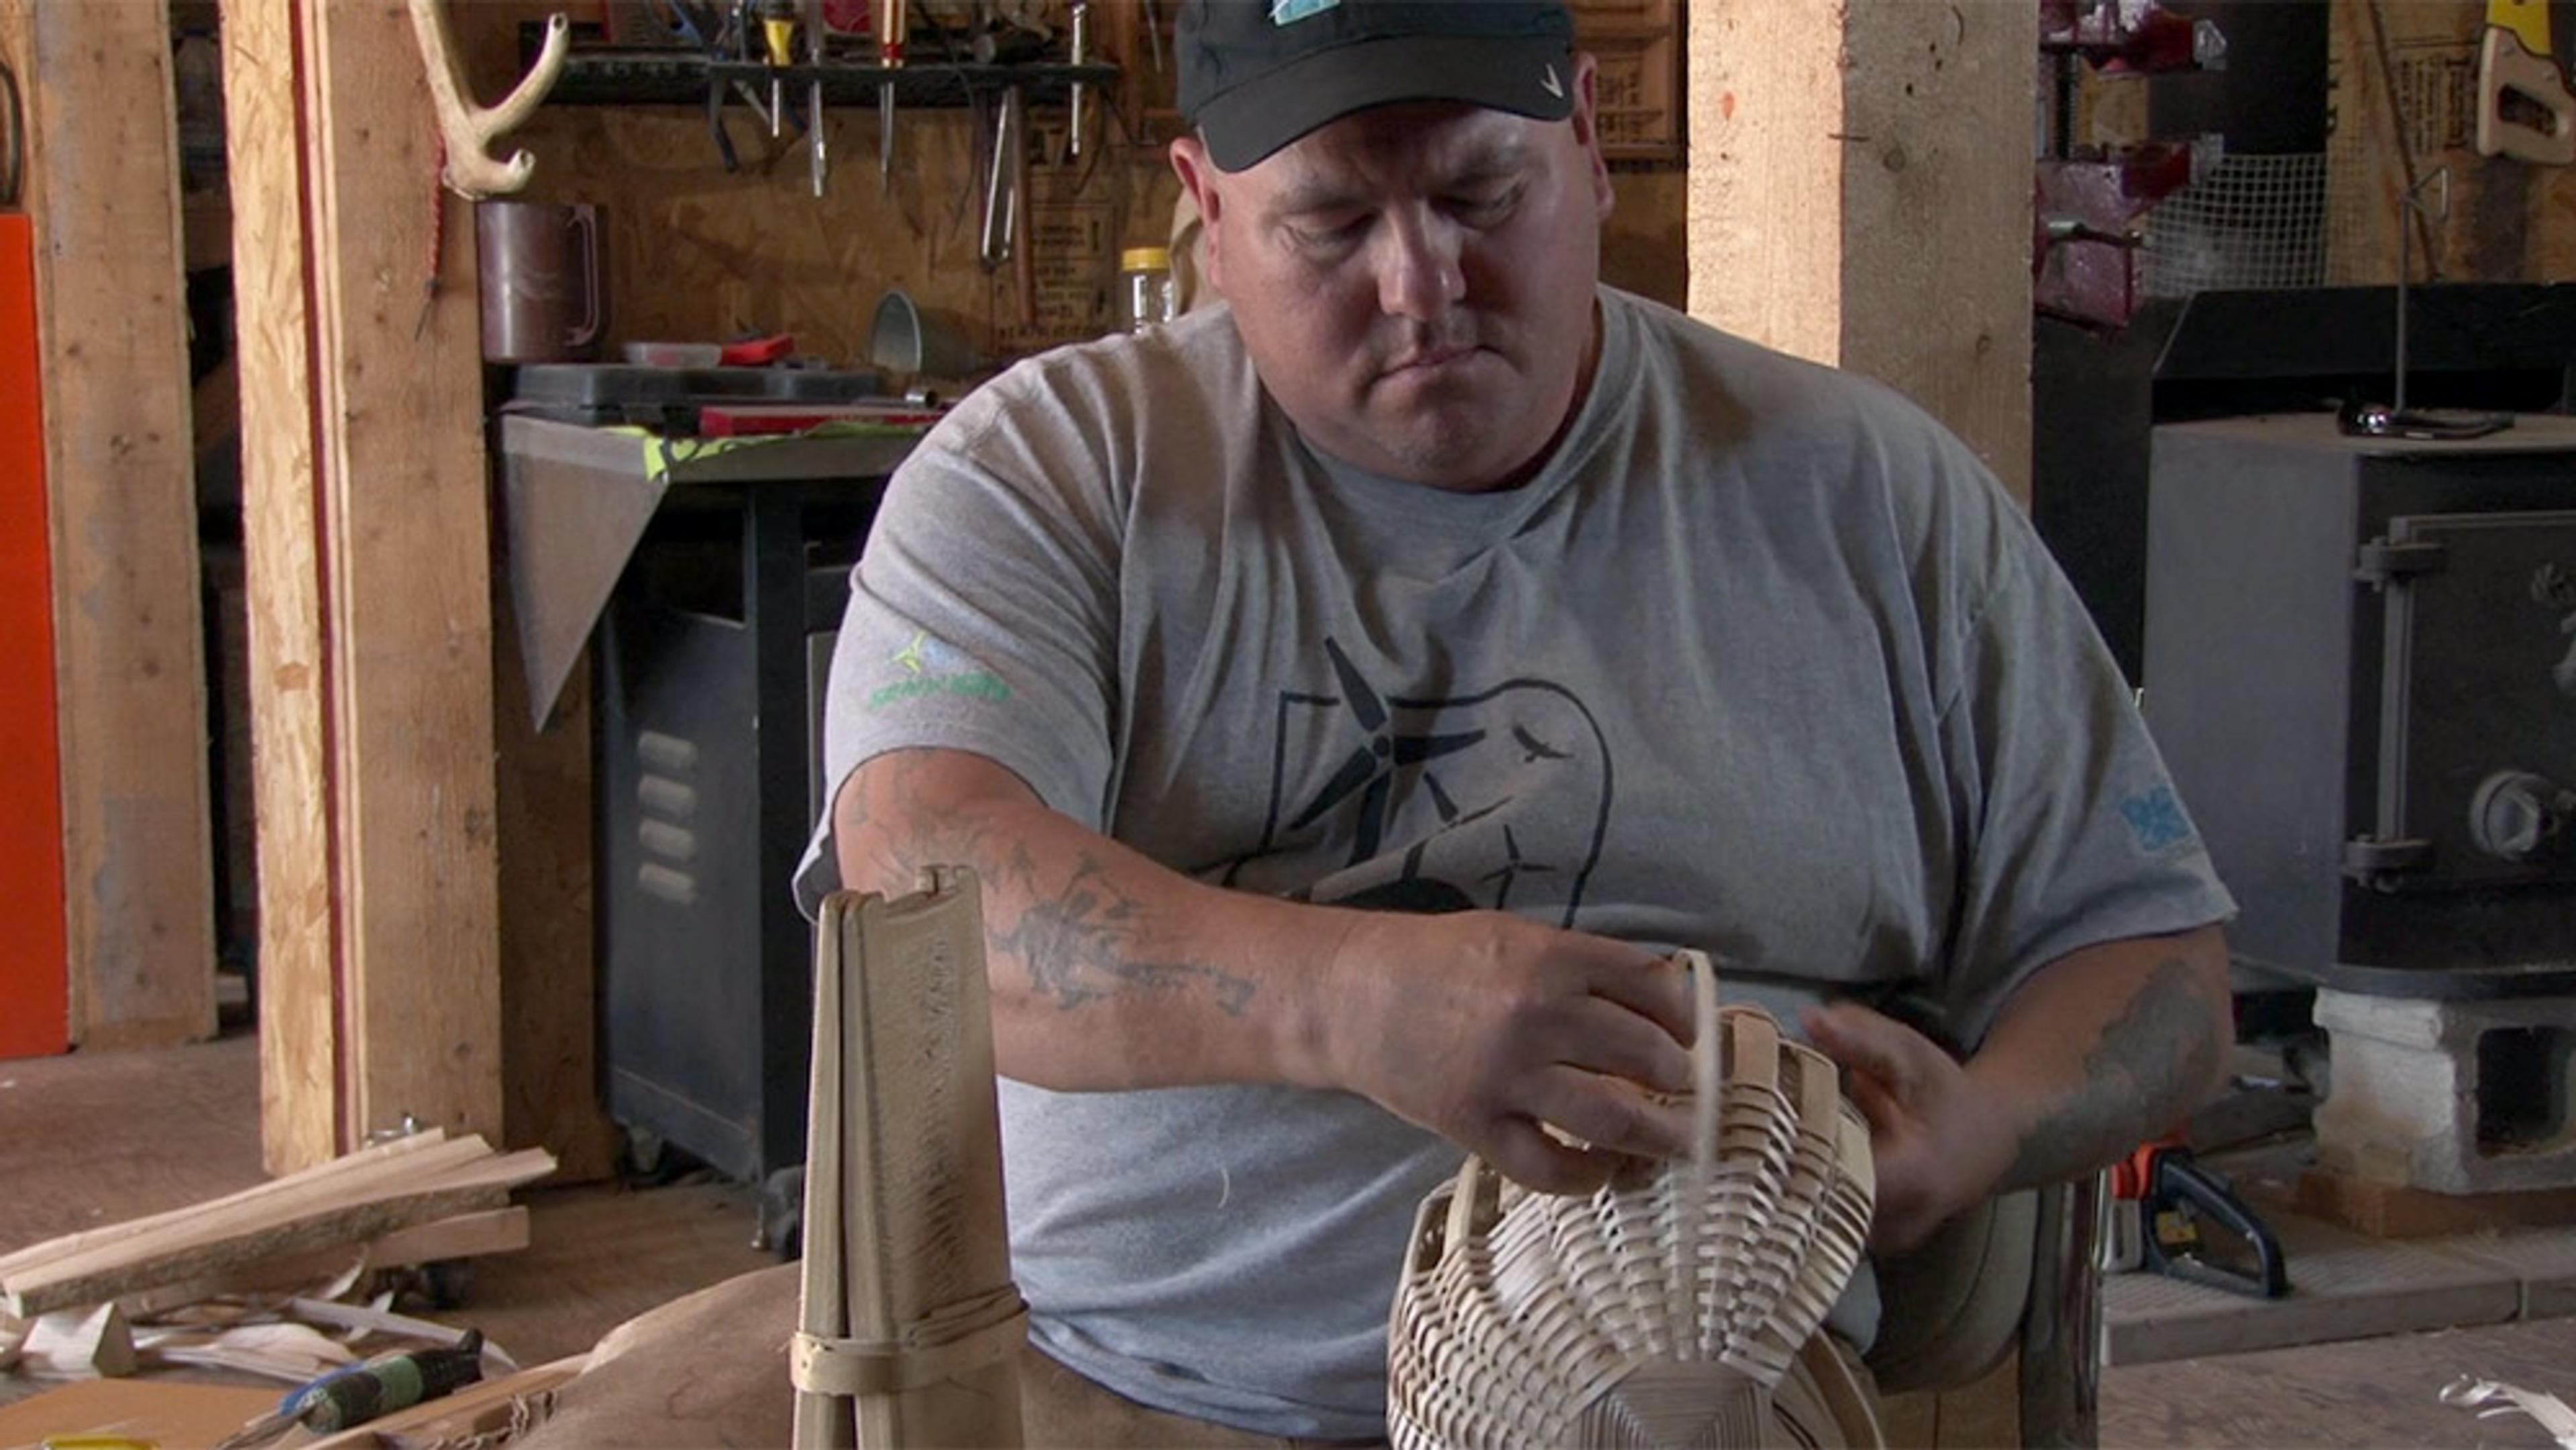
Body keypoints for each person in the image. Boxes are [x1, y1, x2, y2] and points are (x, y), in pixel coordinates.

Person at [767, 1, 2237, 1443]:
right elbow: (922, 875)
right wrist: (1344, 997)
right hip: (1159, 1396)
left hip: (1725, 1405)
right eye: (1332, 225)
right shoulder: (1048, 478)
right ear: (1207, 215)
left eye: (1482, 190)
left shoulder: (1877, 502)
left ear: (1589, 143)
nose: (1423, 283)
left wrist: (1985, 1125)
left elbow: (2157, 961)